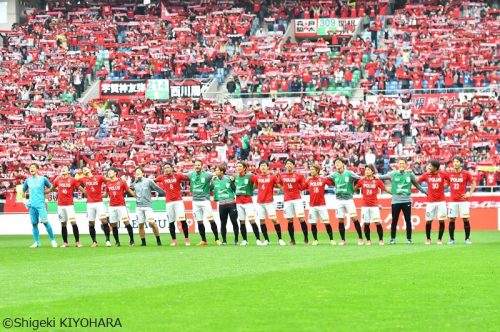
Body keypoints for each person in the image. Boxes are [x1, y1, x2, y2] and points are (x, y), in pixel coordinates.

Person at [377, 158, 427, 244]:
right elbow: (381, 176)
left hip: (406, 201)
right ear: (398, 165)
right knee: (394, 221)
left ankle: (409, 239)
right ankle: (392, 239)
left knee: (408, 220)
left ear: (406, 165)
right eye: (400, 163)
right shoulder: (393, 174)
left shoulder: (409, 175)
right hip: (395, 202)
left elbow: (417, 185)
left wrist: (425, 192)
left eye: (403, 163)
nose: (401, 165)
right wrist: (373, 176)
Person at [327, 158, 364, 245]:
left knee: (354, 218)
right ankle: (343, 239)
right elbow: (323, 179)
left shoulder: (349, 173)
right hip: (339, 200)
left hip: (348, 200)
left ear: (343, 164)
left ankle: (360, 238)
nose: (337, 164)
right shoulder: (333, 175)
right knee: (340, 220)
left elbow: (360, 179)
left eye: (339, 162)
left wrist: (356, 187)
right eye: (336, 163)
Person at [22, 163, 58, 248]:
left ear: (37, 169)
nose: (32, 169)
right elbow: (23, 191)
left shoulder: (43, 179)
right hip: (32, 206)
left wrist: (45, 193)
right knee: (34, 224)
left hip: (41, 205)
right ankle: (37, 242)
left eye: (33, 167)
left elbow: (51, 187)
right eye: (30, 168)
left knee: (45, 222)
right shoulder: (27, 180)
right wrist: (25, 201)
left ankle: (53, 240)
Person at [186, 160, 221, 246]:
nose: (197, 166)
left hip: (205, 201)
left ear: (202, 166)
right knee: (199, 222)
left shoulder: (207, 174)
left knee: (211, 220)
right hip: (195, 201)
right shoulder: (191, 174)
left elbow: (217, 176)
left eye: (198, 165)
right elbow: (181, 177)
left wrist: (213, 182)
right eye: (196, 165)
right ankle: (204, 240)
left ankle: (217, 239)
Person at [355, 165, 391, 245]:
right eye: (366, 170)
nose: (366, 171)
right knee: (366, 223)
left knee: (377, 222)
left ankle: (381, 240)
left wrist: (394, 193)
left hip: (374, 206)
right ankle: (368, 240)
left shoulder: (377, 181)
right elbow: (355, 188)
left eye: (368, 170)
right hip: (365, 206)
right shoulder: (361, 180)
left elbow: (384, 189)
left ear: (372, 171)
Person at [156, 163, 191, 246]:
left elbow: (189, 178)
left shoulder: (178, 175)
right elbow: (151, 182)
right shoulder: (161, 177)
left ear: (172, 168)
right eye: (165, 168)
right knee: (171, 222)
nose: (166, 169)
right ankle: (174, 241)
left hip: (178, 202)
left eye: (168, 167)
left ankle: (186, 239)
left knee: (183, 220)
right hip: (169, 202)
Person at [52, 165, 86, 247]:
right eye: (62, 168)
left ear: (68, 171)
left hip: (69, 205)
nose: (63, 169)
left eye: (65, 168)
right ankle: (65, 243)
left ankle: (77, 242)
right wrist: (58, 190)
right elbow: (52, 188)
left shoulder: (72, 180)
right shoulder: (58, 180)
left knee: (73, 222)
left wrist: (88, 193)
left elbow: (80, 188)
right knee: (63, 224)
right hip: (60, 205)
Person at [253, 161, 286, 246]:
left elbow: (280, 186)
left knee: (274, 220)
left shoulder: (272, 177)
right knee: (262, 221)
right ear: (259, 168)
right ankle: (267, 240)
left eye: (264, 165)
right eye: (261, 166)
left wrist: (285, 188)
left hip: (269, 202)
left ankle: (280, 239)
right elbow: (253, 187)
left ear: (268, 167)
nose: (263, 167)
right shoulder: (257, 177)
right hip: (260, 203)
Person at [418, 160, 450, 245]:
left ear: (435, 168)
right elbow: (418, 181)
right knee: (428, 221)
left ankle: (439, 239)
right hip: (430, 202)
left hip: (441, 201)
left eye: (430, 166)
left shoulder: (443, 174)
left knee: (441, 220)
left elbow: (450, 180)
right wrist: (422, 190)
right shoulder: (426, 174)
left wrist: (446, 185)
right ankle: (428, 238)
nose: (428, 167)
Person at [304, 164, 336, 246]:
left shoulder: (323, 179)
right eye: (310, 169)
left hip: (322, 205)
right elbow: (302, 187)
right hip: (312, 206)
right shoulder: (309, 180)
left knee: (327, 222)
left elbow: (332, 183)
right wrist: (306, 180)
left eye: (313, 169)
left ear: (317, 170)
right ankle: (315, 240)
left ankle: (332, 239)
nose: (311, 171)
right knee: (313, 223)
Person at [131, 167, 165, 247]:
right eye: (136, 172)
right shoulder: (135, 183)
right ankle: (143, 242)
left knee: (152, 223)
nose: (137, 173)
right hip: (138, 206)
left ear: (143, 173)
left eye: (139, 172)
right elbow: (130, 189)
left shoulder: (149, 181)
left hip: (147, 206)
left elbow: (157, 188)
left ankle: (158, 240)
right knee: (140, 225)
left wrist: (165, 193)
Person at [278, 159, 309, 245]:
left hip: (297, 199)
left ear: (293, 165)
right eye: (287, 163)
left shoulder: (298, 175)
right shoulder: (282, 175)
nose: (289, 165)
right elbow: (279, 184)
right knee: (289, 220)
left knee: (301, 219)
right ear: (285, 165)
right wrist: (283, 189)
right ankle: (292, 240)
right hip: (287, 200)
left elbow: (302, 187)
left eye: (290, 163)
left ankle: (306, 239)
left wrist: (306, 182)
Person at [104, 168, 136, 247]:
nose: (109, 173)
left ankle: (132, 241)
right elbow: (105, 195)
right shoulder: (108, 184)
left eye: (110, 172)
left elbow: (129, 191)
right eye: (108, 172)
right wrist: (93, 194)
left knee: (126, 222)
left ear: (115, 173)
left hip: (121, 206)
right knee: (113, 224)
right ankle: (117, 242)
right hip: (111, 206)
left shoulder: (122, 182)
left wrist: (137, 194)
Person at [447, 156, 476, 244]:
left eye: (457, 162)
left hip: (463, 201)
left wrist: (469, 193)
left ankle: (467, 239)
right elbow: (446, 183)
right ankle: (452, 239)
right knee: (451, 219)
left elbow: (473, 183)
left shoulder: (466, 173)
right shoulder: (449, 173)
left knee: (466, 219)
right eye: (454, 162)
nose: (455, 163)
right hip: (453, 201)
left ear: (461, 163)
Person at [233, 161, 262, 246]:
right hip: (238, 202)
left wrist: (251, 189)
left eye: (240, 166)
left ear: (244, 168)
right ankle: (245, 240)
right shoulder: (235, 177)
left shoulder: (250, 176)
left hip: (248, 201)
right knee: (242, 221)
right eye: (237, 166)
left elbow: (257, 182)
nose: (238, 168)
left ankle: (258, 239)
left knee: (251, 220)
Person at [79, 167, 109, 247]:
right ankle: (94, 241)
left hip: (99, 203)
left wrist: (106, 192)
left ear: (90, 169)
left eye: (86, 168)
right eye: (83, 169)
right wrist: (84, 192)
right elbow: (75, 183)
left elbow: (109, 181)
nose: (84, 169)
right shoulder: (83, 179)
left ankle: (107, 240)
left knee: (104, 221)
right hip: (90, 204)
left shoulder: (99, 177)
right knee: (91, 223)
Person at [211, 165, 239, 245]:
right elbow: (210, 189)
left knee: (234, 222)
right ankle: (224, 241)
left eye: (216, 170)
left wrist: (233, 182)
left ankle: (236, 240)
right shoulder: (214, 180)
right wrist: (211, 182)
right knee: (223, 223)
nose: (215, 172)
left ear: (222, 172)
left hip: (231, 203)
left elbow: (234, 189)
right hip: (221, 204)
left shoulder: (229, 179)